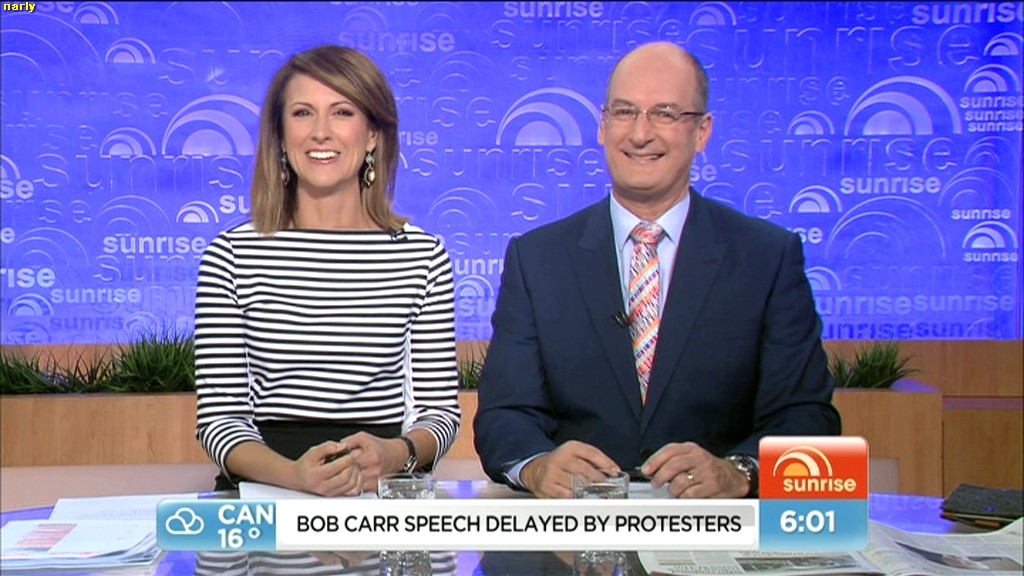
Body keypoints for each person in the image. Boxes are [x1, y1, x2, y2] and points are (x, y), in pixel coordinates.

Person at [473, 41, 841, 499]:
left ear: (702, 132)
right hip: (578, 525)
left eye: (665, 113)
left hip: (715, 525)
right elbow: (504, 416)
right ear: (602, 126)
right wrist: (536, 466)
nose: (640, 134)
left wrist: (739, 472)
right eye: (624, 112)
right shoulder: (537, 259)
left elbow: (807, 416)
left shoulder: (766, 257)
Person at [194, 45, 460, 497]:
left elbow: (441, 416)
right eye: (302, 113)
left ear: (372, 134)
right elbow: (219, 420)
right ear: (280, 136)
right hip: (268, 487)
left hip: (377, 488)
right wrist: (295, 476)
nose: (321, 132)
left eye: (342, 112)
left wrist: (396, 454)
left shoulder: (422, 255)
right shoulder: (232, 255)